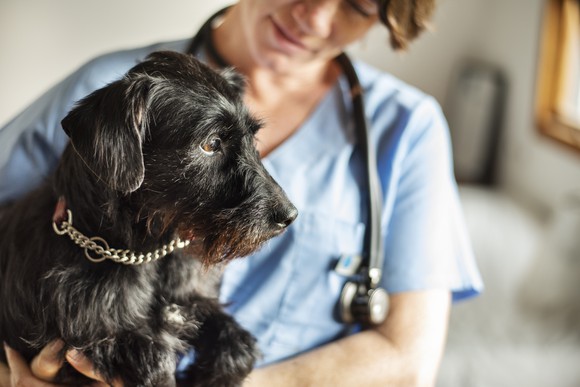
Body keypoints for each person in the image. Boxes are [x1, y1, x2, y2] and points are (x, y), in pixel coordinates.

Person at [0, 0, 483, 386]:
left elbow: (408, 359)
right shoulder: (107, 90)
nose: (314, 16)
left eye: (358, 5)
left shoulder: (406, 128)